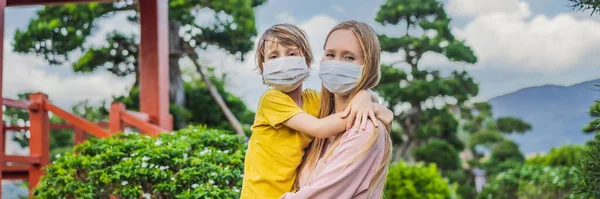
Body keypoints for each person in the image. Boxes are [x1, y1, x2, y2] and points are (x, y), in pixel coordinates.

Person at [241, 23, 393, 199]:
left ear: (307, 61)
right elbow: (321, 128)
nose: (283, 62)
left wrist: (367, 97)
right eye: (330, 54)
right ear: (262, 66)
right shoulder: (271, 99)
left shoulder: (357, 126)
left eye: (349, 57)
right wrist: (371, 106)